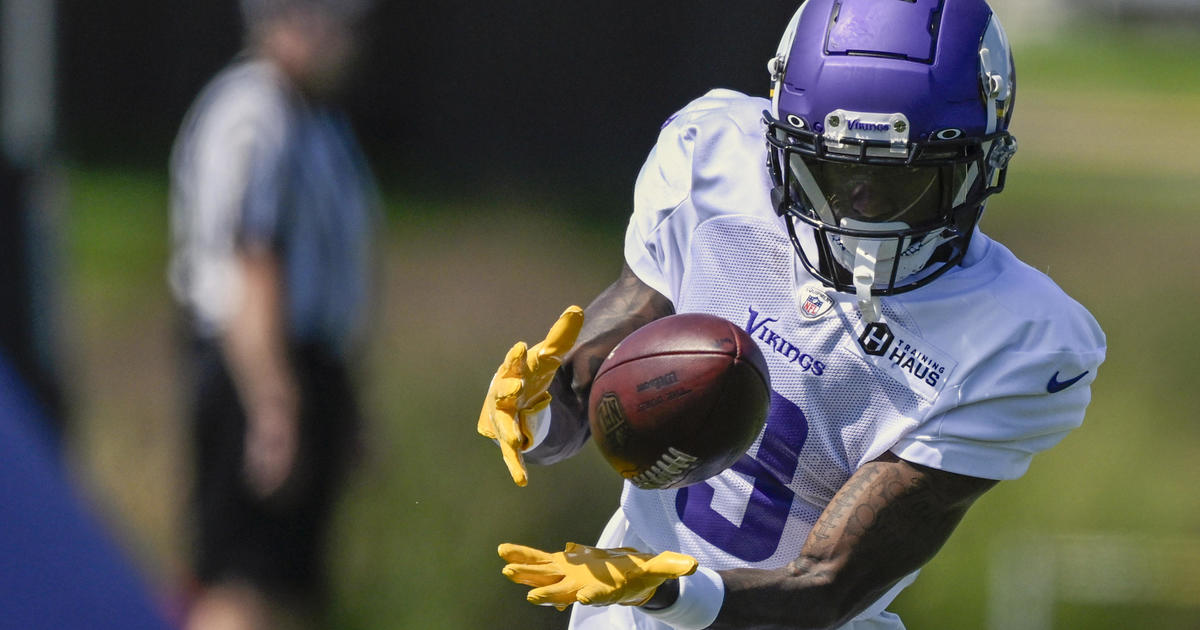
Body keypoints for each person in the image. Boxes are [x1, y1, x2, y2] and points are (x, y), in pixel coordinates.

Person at [478, 1, 1106, 628]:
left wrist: (663, 594)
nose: (860, 210)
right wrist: (534, 413)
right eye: (830, 172)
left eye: (900, 182)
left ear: (981, 165)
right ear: (779, 142)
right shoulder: (716, 159)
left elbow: (824, 589)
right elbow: (591, 406)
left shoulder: (1015, 343)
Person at [167, 1, 378, 628]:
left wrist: (346, 401)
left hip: (307, 363)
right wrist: (272, 402)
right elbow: (252, 257)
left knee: (290, 582)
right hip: (256, 361)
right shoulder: (253, 113)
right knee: (242, 574)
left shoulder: (314, 119)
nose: (347, 41)